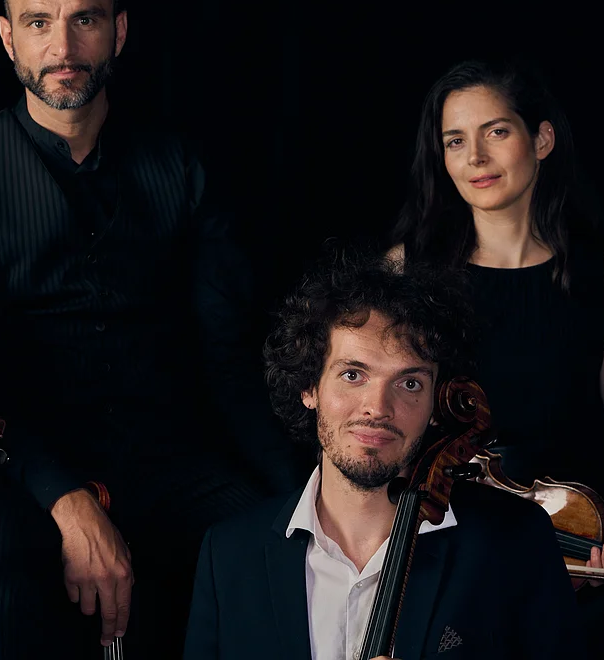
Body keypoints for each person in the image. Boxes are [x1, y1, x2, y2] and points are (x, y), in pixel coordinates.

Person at [0, 0, 298, 659]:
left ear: (118, 31)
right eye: (38, 22)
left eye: (85, 20)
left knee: (282, 555)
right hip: (23, 473)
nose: (63, 47)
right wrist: (67, 500)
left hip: (172, 460)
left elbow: (228, 356)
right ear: (7, 38)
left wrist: (307, 494)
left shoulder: (181, 166)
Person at [388, 58, 604, 654]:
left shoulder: (603, 276)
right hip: (440, 542)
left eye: (496, 131)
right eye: (455, 141)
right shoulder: (407, 272)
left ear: (541, 139)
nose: (475, 158)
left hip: (568, 544)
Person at [183, 245, 581, 659]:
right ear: (309, 387)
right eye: (353, 375)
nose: (378, 407)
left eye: (409, 383)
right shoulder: (229, 555)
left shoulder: (514, 542)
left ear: (436, 404)